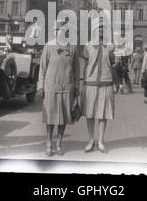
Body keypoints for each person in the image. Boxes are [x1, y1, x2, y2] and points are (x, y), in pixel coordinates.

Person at [37, 21, 80, 156]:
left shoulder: (72, 48)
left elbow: (77, 70)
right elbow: (42, 69)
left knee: (64, 117)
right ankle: (49, 143)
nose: (57, 32)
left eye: (59, 30)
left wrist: (77, 87)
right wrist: (40, 86)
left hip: (67, 87)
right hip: (51, 87)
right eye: (55, 30)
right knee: (50, 117)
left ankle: (59, 144)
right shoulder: (48, 47)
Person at [81, 18, 116, 153]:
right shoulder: (88, 46)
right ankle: (91, 140)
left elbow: (113, 63)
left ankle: (101, 141)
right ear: (94, 30)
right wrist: (81, 84)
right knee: (90, 114)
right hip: (90, 84)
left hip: (106, 83)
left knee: (103, 113)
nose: (101, 30)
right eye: (98, 28)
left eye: (103, 28)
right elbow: (84, 66)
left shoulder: (111, 46)